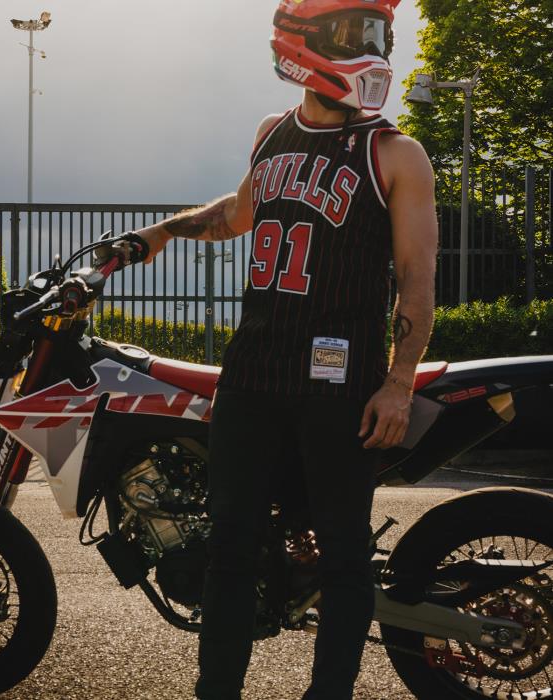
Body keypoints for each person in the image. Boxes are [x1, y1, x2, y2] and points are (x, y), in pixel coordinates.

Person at [136, 1, 438, 697]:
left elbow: (417, 281)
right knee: (230, 549)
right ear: (304, 42)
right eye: (358, 32)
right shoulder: (271, 133)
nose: (373, 48)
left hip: (340, 384)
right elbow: (236, 214)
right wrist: (162, 232)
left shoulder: (396, 153)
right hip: (253, 375)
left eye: (380, 34)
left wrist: (398, 382)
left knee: (343, 558)